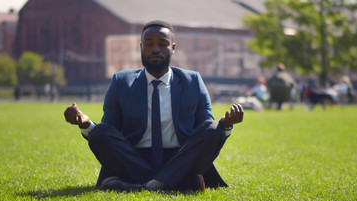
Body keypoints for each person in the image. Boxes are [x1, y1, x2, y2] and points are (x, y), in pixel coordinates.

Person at [64, 20, 244, 192]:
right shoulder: (121, 82)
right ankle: (177, 182)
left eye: (162, 43)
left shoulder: (193, 81)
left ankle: (143, 186)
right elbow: (109, 132)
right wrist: (86, 124)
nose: (155, 49)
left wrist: (225, 125)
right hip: (134, 159)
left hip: (181, 157)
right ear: (141, 47)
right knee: (99, 132)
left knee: (212, 128)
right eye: (148, 44)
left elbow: (205, 130)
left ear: (173, 48)